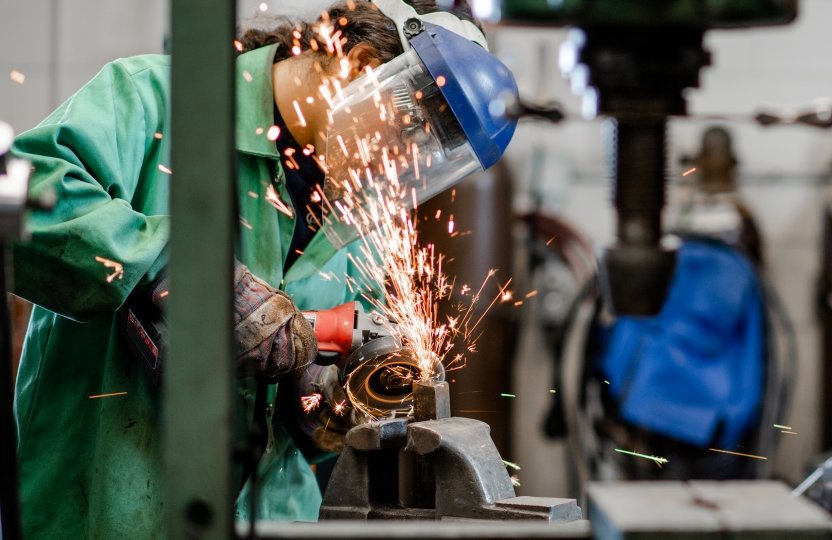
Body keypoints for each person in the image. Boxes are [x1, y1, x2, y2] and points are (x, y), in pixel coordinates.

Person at [8, 1, 513, 537]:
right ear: (360, 65)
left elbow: (303, 414)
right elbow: (27, 195)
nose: (399, 167)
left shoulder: (362, 213)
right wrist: (172, 274)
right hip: (106, 515)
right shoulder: (153, 99)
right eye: (408, 135)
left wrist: (328, 407)